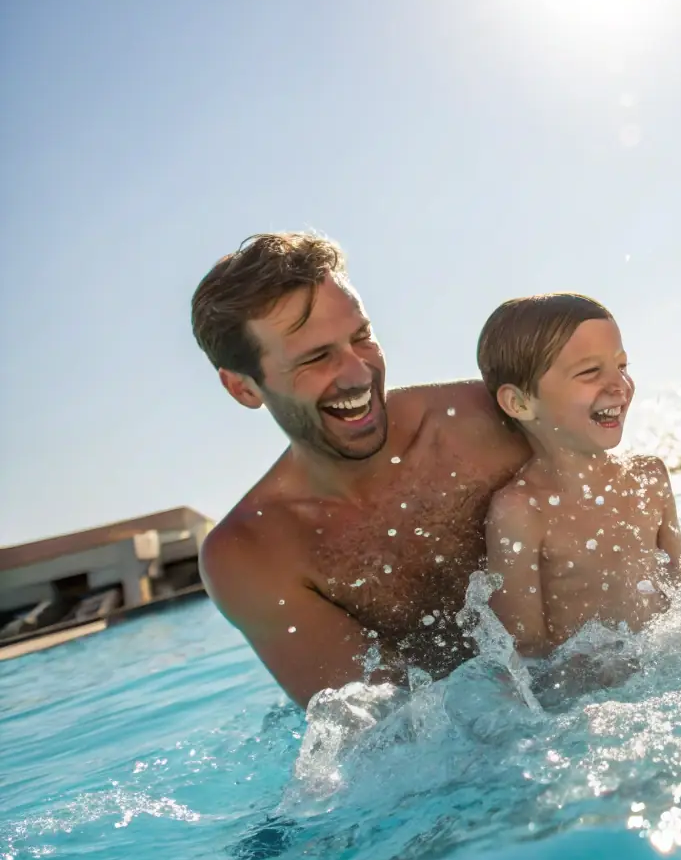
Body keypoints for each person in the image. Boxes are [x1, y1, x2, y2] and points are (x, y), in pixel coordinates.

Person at [192, 233, 529, 706]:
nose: (357, 373)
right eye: (315, 357)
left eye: (361, 337)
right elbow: (387, 734)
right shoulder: (255, 553)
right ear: (244, 389)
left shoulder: (490, 418)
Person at [477, 294, 681, 657]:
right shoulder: (521, 510)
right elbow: (523, 648)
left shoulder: (648, 476)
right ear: (520, 403)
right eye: (590, 372)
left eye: (622, 366)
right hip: (591, 695)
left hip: (668, 660)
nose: (620, 386)